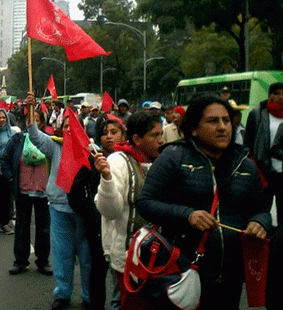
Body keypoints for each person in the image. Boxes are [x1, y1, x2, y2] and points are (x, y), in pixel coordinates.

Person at [137, 95, 271, 309]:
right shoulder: (173, 158)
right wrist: (188, 215)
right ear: (194, 128)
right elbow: (145, 203)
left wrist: (259, 222)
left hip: (231, 277)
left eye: (226, 121)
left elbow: (261, 209)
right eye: (212, 121)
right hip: (182, 271)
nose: (222, 127)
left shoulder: (246, 165)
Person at [24, 93, 92, 310]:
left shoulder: (91, 149)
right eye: (65, 125)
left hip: (83, 208)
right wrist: (31, 110)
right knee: (62, 253)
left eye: (73, 125)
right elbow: (34, 135)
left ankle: (89, 295)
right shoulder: (55, 146)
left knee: (86, 254)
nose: (69, 129)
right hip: (58, 206)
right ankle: (63, 294)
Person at [93, 112, 164, 309]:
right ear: (137, 139)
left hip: (162, 256)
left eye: (161, 134)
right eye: (154, 135)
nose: (160, 140)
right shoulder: (118, 161)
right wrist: (106, 179)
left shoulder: (166, 161)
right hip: (128, 256)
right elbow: (111, 212)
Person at [68, 117, 126, 310]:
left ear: (123, 135)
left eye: (114, 132)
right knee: (97, 273)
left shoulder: (131, 161)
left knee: (124, 278)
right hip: (98, 228)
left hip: (124, 229)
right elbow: (74, 193)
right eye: (104, 133)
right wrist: (92, 213)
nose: (109, 137)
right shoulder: (93, 159)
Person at [1, 109, 52, 276]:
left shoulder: (49, 141)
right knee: (22, 227)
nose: (33, 123)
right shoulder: (18, 139)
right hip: (23, 190)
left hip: (44, 192)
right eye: (30, 119)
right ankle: (20, 260)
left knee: (44, 228)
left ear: (42, 123)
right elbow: (5, 159)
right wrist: (10, 178)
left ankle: (42, 260)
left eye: (36, 120)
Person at [245, 82, 283, 224]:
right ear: (269, 96)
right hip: (263, 172)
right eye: (277, 93)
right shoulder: (257, 113)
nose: (280, 97)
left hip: (281, 174)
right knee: (261, 214)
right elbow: (247, 143)